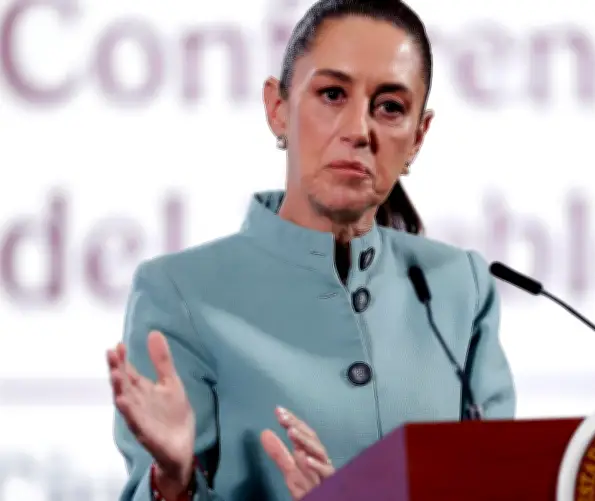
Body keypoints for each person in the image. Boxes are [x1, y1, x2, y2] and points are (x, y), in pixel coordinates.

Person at [106, 0, 516, 500]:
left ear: (418, 136)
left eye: (390, 107)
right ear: (277, 108)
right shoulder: (181, 294)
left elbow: (503, 483)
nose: (358, 130)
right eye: (332, 94)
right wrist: (175, 480)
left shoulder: (459, 287)